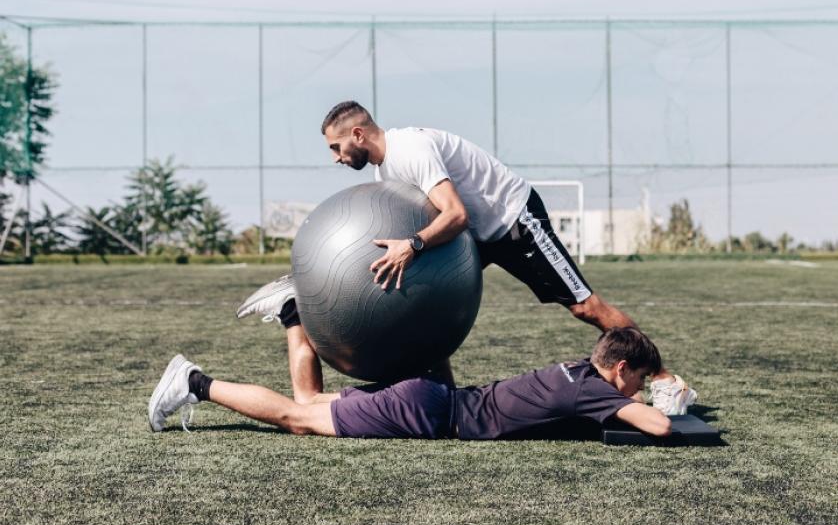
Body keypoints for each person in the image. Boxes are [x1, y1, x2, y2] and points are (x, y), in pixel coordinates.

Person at [319, 100, 632, 332]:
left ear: (358, 134)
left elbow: (456, 215)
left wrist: (412, 246)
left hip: (513, 219)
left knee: (584, 307)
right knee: (428, 310)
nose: (335, 158)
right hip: (477, 238)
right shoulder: (384, 170)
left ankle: (662, 378)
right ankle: (436, 396)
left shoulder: (410, 149)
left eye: (336, 147)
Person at [148, 327, 688, 440]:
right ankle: (194, 382)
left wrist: (643, 389)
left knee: (308, 404)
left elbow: (621, 400)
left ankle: (294, 314)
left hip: (434, 396)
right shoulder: (593, 388)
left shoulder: (578, 369)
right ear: (618, 370)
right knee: (301, 419)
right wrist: (665, 400)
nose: (633, 392)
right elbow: (659, 427)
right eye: (636, 381)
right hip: (429, 413)